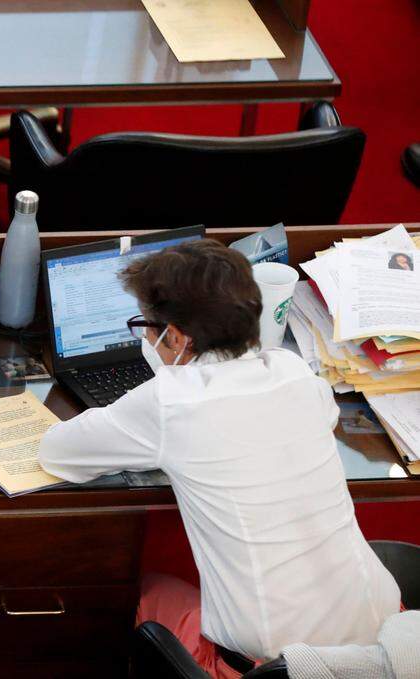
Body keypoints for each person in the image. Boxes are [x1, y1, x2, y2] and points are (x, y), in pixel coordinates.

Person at [36, 240, 400, 678]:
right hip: (385, 639)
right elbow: (316, 424)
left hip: (281, 669)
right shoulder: (294, 372)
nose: (146, 338)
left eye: (146, 327)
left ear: (176, 338)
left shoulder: (170, 401)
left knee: (145, 589)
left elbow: (56, 452)